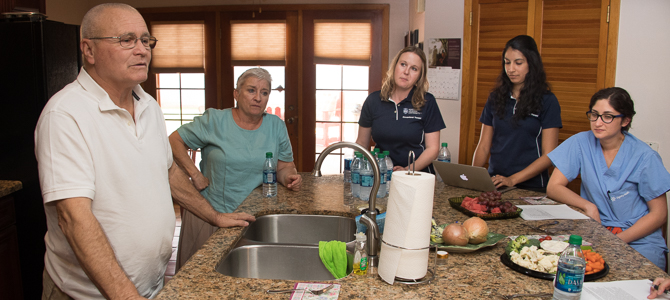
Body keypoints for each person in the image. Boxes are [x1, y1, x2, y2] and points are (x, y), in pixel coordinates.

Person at [35, 4, 255, 299]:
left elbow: (169, 172)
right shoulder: (65, 115)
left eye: (145, 40)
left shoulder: (148, 105)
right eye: (126, 40)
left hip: (147, 288)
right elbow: (74, 220)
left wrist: (214, 216)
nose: (142, 50)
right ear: (89, 50)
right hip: (91, 294)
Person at [169, 67, 302, 270]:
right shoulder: (214, 121)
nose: (258, 97)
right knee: (200, 282)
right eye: (251, 90)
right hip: (209, 214)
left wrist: (289, 178)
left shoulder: (276, 126)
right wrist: (193, 173)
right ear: (236, 94)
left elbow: (284, 166)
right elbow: (174, 141)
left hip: (254, 217)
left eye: (264, 92)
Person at [547, 87, 670, 270]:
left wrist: (615, 242)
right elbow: (553, 187)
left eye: (608, 116)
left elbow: (659, 214)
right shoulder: (581, 142)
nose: (598, 122)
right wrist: (589, 206)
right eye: (594, 115)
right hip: (597, 234)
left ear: (625, 120)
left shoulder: (645, 156)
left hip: (639, 240)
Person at [472, 35, 561, 192]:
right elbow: (484, 146)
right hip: (496, 183)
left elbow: (549, 155)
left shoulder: (548, 101)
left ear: (531, 64)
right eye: (507, 62)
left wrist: (513, 179)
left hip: (531, 188)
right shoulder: (495, 97)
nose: (511, 69)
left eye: (518, 63)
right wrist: (472, 179)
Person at [356, 46, 446, 173]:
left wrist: (407, 170)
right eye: (403, 64)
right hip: (382, 175)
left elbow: (432, 149)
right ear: (394, 67)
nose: (406, 72)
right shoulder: (373, 101)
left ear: (419, 76)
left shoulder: (427, 102)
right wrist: (358, 169)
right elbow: (361, 143)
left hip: (417, 175)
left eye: (414, 68)